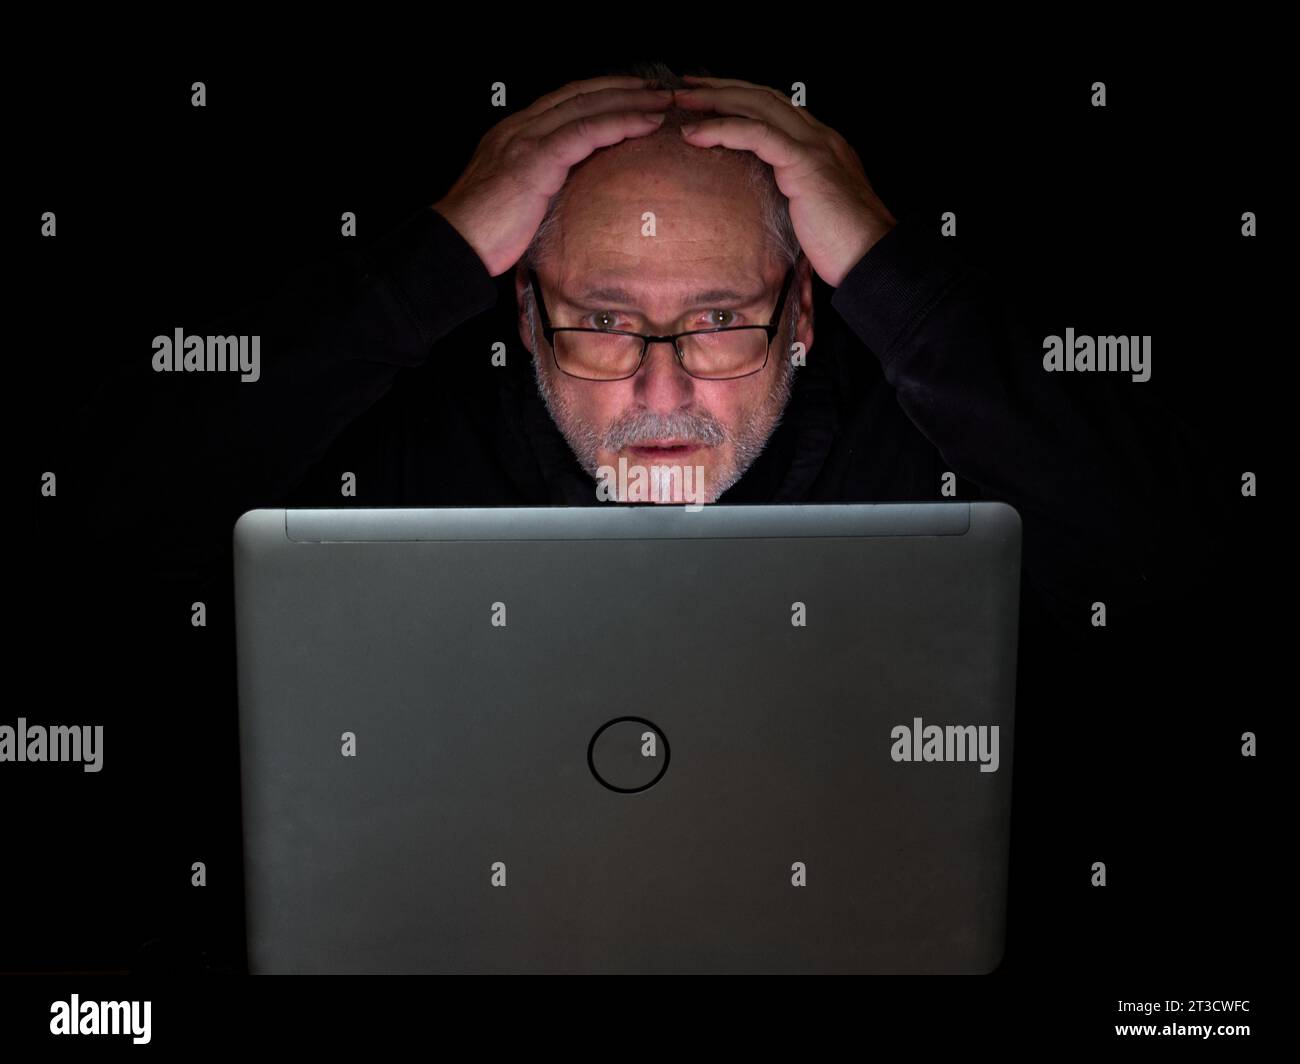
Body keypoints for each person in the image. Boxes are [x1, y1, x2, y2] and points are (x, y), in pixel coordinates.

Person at [85, 63, 1201, 635]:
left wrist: (882, 263)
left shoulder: (921, 457)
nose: (659, 389)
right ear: (523, 313)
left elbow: (1170, 567)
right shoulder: (402, 452)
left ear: (802, 316)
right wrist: (428, 258)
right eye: (605, 321)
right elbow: (106, 546)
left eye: (720, 319)